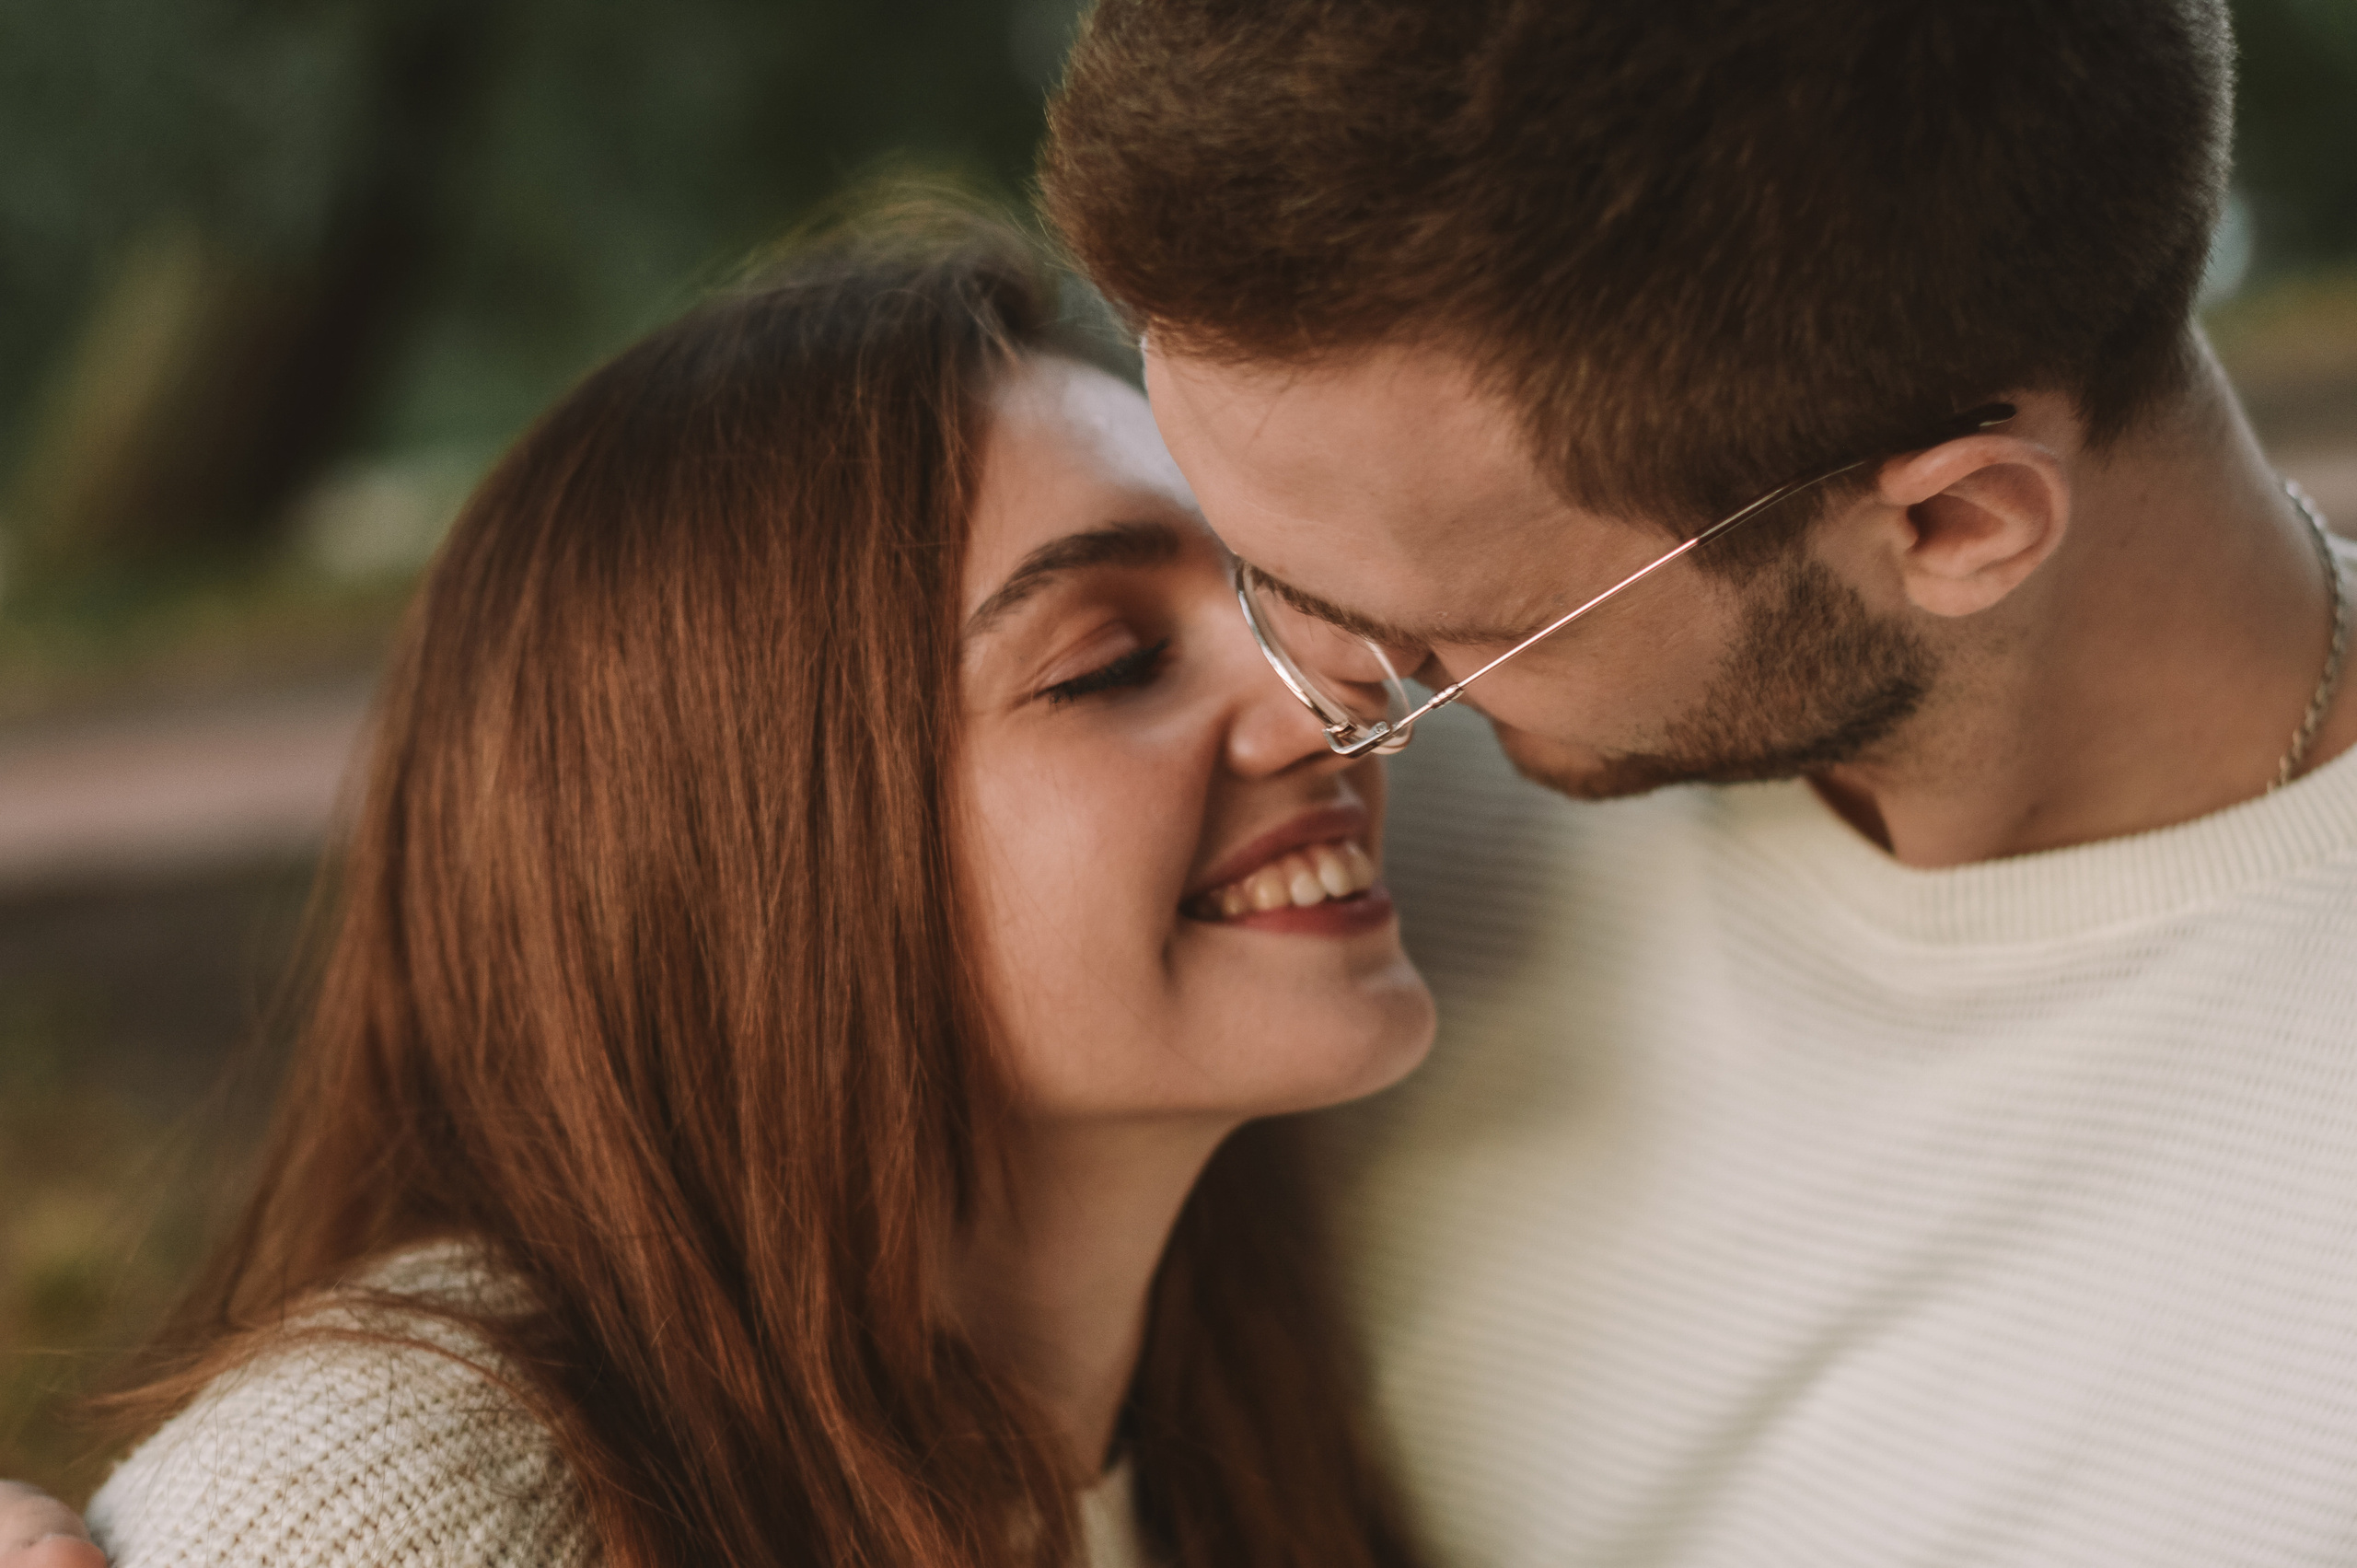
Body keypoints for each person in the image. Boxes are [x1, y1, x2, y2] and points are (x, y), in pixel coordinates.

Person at [1040, 2, 2357, 1565]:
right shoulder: (1300, 895)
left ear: (1957, 526)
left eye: (1446, 632)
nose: (1317, 706)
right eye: (1244, 556)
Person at [0, 205, 1434, 1568]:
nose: (1336, 698)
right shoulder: (413, 1490)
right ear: (746, 850)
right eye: (1106, 665)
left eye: (1269, 594)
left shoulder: (1222, 1435)